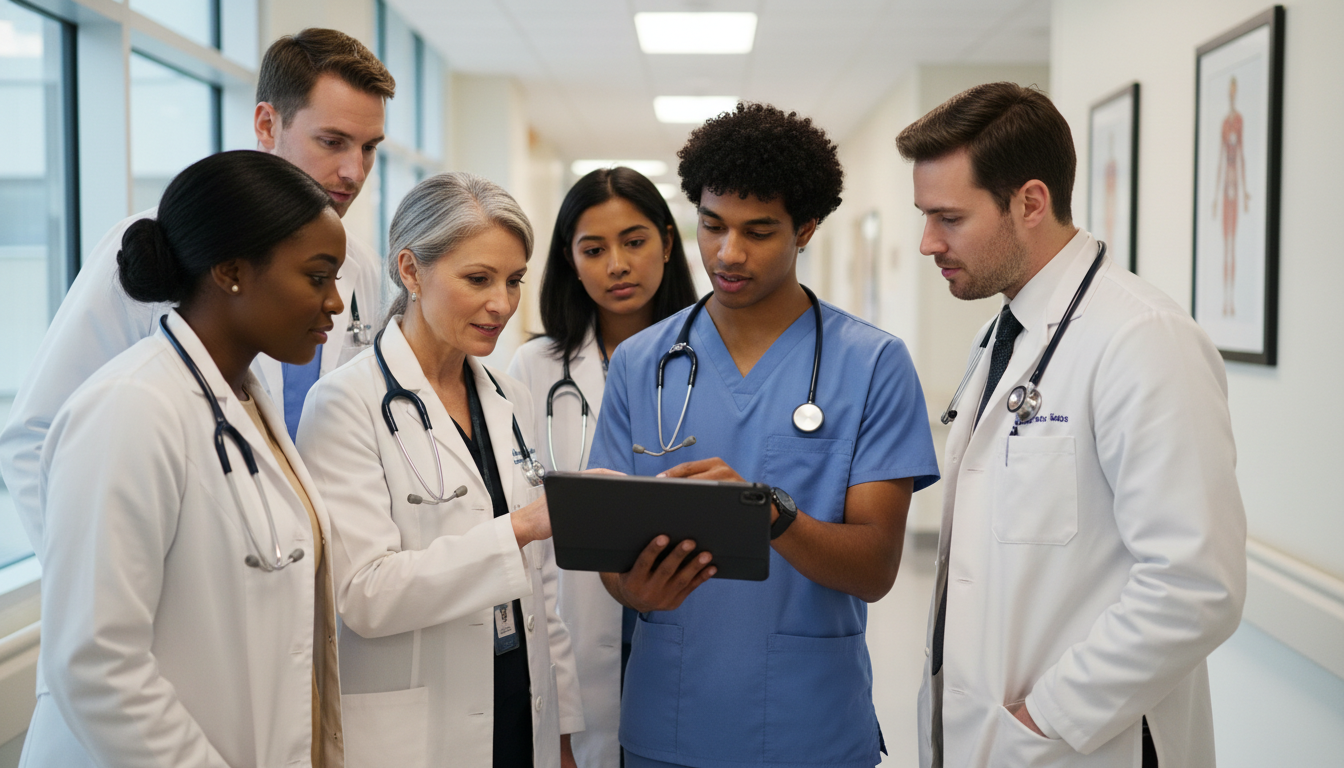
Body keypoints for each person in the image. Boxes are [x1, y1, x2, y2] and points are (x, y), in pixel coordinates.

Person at [897, 82, 1246, 768]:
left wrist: (1045, 718)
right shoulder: (1006, 334)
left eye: (949, 218)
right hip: (994, 736)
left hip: (1083, 744)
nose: (927, 243)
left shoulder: (1143, 339)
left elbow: (1196, 585)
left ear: (1030, 201)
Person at [587, 103, 940, 768]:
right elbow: (610, 555)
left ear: (806, 229)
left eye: (759, 231)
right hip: (668, 724)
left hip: (812, 727)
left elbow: (874, 568)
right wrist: (634, 589)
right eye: (713, 226)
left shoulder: (871, 365)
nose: (728, 253)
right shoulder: (642, 364)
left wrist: (769, 514)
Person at [0, 27, 395, 559]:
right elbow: (34, 437)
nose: (353, 172)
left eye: (369, 148)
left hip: (301, 579)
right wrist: (95, 574)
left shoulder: (362, 269)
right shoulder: (161, 244)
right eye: (332, 141)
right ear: (266, 123)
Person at [19, 150, 346, 767]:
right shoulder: (129, 409)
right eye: (316, 276)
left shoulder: (246, 400)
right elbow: (95, 664)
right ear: (230, 272)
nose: (335, 302)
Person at [296, 172, 583, 768]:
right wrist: (520, 527)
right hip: (421, 726)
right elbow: (363, 595)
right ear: (410, 270)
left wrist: (562, 729)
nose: (501, 303)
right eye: (477, 279)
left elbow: (541, 586)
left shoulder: (507, 396)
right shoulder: (346, 403)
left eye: (513, 281)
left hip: (519, 699)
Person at [508, 166, 699, 768]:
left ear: (668, 243)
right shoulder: (534, 368)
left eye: (634, 241)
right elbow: (528, 532)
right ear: (570, 260)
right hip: (578, 627)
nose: (616, 264)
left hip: (686, 612)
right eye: (593, 249)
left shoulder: (710, 358)